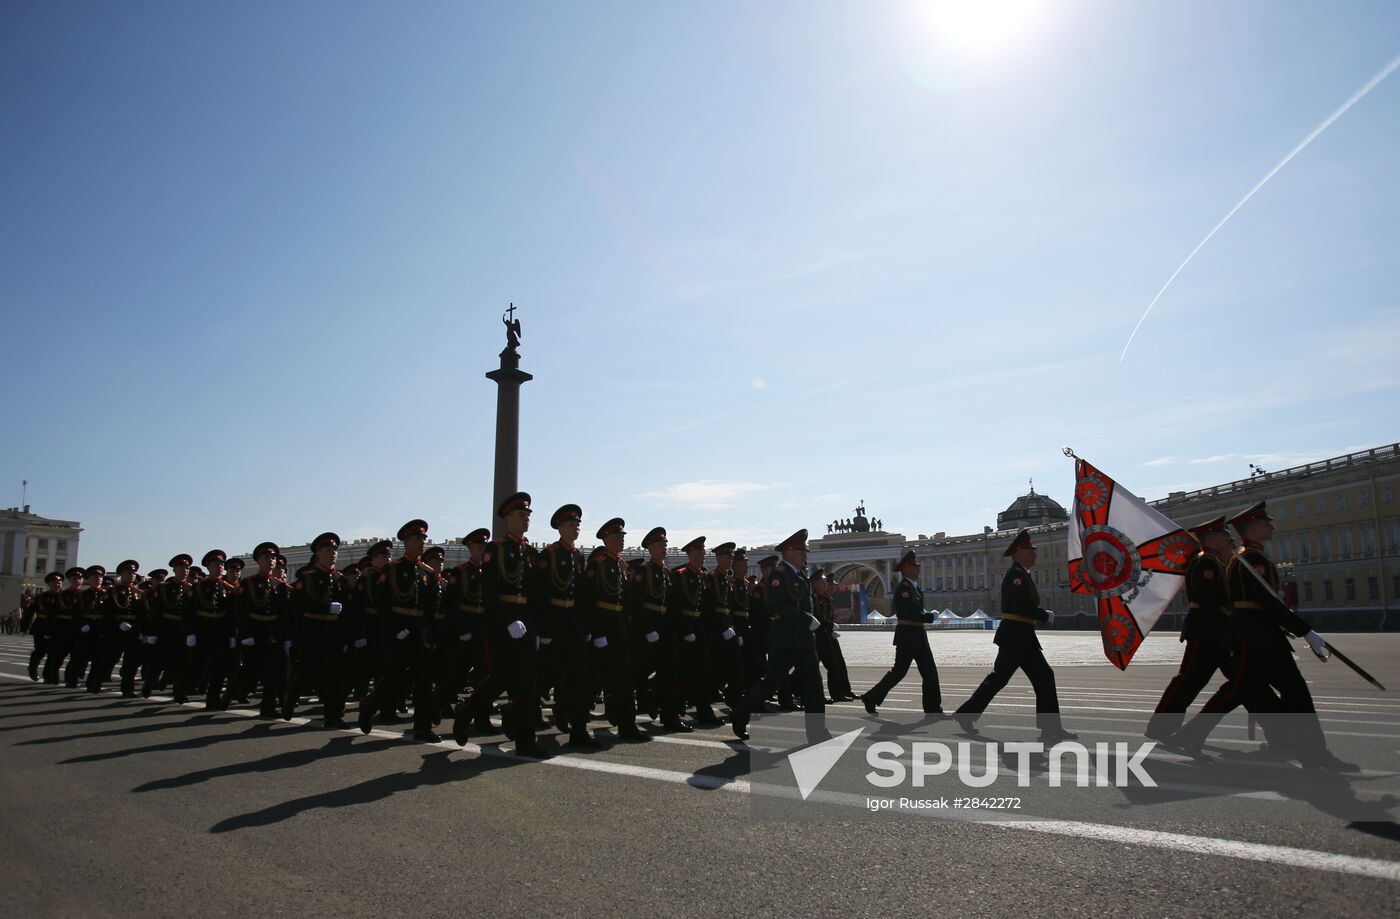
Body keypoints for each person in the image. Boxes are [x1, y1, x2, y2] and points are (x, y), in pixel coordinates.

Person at [1168, 501, 1357, 771]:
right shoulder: (1249, 559)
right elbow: (1265, 602)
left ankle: (1314, 754)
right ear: (1254, 527)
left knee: (1292, 693)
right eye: (1266, 522)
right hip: (1253, 638)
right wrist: (1305, 631)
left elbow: (1266, 603)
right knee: (1240, 689)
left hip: (1263, 636)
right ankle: (1191, 735)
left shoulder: (1251, 557)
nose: (1272, 526)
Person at [954, 530, 1076, 744]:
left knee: (1038, 677)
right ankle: (1049, 728)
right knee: (1006, 679)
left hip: (1021, 636)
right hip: (1015, 637)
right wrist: (1043, 615)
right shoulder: (1016, 576)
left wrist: (1039, 615)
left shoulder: (1021, 574)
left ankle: (1050, 728)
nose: (1035, 556)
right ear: (1019, 552)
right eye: (1031, 551)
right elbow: (1022, 606)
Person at [451, 495, 546, 756]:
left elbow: (534, 595)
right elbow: (490, 592)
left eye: (528, 514)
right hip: (502, 622)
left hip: (525, 619)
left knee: (528, 683)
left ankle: (526, 742)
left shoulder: (530, 552)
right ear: (507, 518)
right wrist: (507, 620)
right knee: (499, 679)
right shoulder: (496, 549)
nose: (526, 518)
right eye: (520, 514)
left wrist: (536, 627)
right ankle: (466, 711)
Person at [730, 529, 827, 742]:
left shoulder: (799, 575)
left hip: (803, 640)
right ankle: (740, 714)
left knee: (813, 683)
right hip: (784, 639)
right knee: (771, 682)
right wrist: (806, 620)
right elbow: (777, 605)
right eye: (801, 551)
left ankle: (817, 732)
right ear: (789, 551)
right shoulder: (778, 575)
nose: (805, 555)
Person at [360, 520, 439, 741]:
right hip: (399, 631)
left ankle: (422, 728)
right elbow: (382, 604)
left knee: (424, 680)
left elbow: (431, 607)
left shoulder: (428, 572)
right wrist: (395, 628)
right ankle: (369, 706)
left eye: (423, 539)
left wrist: (430, 632)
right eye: (417, 538)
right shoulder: (392, 569)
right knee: (393, 676)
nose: (421, 543)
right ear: (405, 541)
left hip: (419, 632)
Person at [861, 551, 940, 714]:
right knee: (899, 672)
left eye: (918, 566)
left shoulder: (914, 588)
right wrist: (929, 616)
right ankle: (871, 697)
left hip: (918, 634)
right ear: (906, 568)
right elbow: (907, 614)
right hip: (907, 636)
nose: (918, 569)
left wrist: (926, 617)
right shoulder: (903, 588)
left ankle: (933, 708)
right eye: (915, 566)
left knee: (930, 672)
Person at [224, 542, 290, 717]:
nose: (271, 560)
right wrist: (245, 634)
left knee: (274, 672)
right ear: (258, 561)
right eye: (266, 557)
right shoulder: (248, 583)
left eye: (273, 557)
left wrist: (286, 637)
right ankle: (227, 697)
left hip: (274, 633)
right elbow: (241, 612)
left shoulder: (280, 585)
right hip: (255, 632)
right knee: (249, 670)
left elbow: (284, 614)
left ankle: (267, 708)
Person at [811, 569, 854, 702]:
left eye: (825, 582)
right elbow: (816, 617)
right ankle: (795, 689)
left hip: (826, 635)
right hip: (817, 636)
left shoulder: (824, 597)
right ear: (814, 583)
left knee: (834, 664)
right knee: (814, 667)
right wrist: (830, 626)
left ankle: (838, 693)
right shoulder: (813, 598)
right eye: (822, 582)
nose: (825, 584)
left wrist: (830, 628)